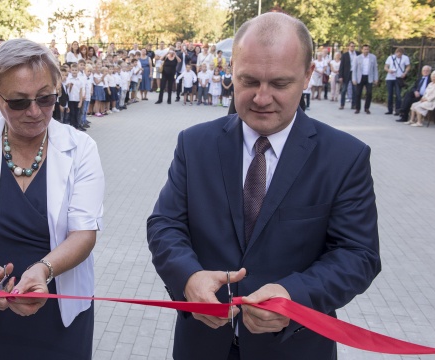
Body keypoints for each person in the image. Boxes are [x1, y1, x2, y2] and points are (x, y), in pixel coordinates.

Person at [147, 12, 380, 360]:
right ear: (231, 70)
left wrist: (294, 294)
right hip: (202, 345)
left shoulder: (345, 157)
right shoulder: (194, 144)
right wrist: (188, 278)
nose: (261, 97)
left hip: (295, 347)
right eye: (249, 80)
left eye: (280, 84)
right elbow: (165, 224)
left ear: (308, 76)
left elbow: (358, 255)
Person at [0, 38, 104, 359]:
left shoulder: (81, 148)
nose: (34, 111)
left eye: (46, 98)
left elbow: (84, 233)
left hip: (60, 307)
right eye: (18, 102)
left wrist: (43, 271)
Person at [352, 44, 378, 114]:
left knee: (369, 93)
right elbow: (354, 69)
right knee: (358, 93)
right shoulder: (357, 58)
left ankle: (367, 108)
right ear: (362, 50)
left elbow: (375, 69)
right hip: (360, 77)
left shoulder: (373, 57)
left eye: (367, 49)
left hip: (369, 77)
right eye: (365, 49)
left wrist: (376, 78)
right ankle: (357, 108)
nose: (366, 51)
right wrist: (354, 79)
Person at [384, 48, 410, 115]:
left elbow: (408, 66)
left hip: (399, 77)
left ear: (402, 54)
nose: (398, 55)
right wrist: (389, 70)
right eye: (397, 53)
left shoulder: (405, 58)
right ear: (395, 52)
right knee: (390, 94)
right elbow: (386, 67)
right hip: (390, 77)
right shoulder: (390, 57)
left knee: (398, 94)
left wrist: (405, 73)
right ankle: (390, 110)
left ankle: (397, 110)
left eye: (400, 54)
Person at [338, 42, 359, 110]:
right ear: (348, 47)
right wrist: (340, 76)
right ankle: (342, 104)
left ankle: (353, 104)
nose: (352, 47)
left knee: (354, 90)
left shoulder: (358, 54)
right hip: (346, 74)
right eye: (351, 46)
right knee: (344, 90)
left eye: (353, 46)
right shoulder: (345, 55)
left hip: (354, 73)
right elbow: (341, 66)